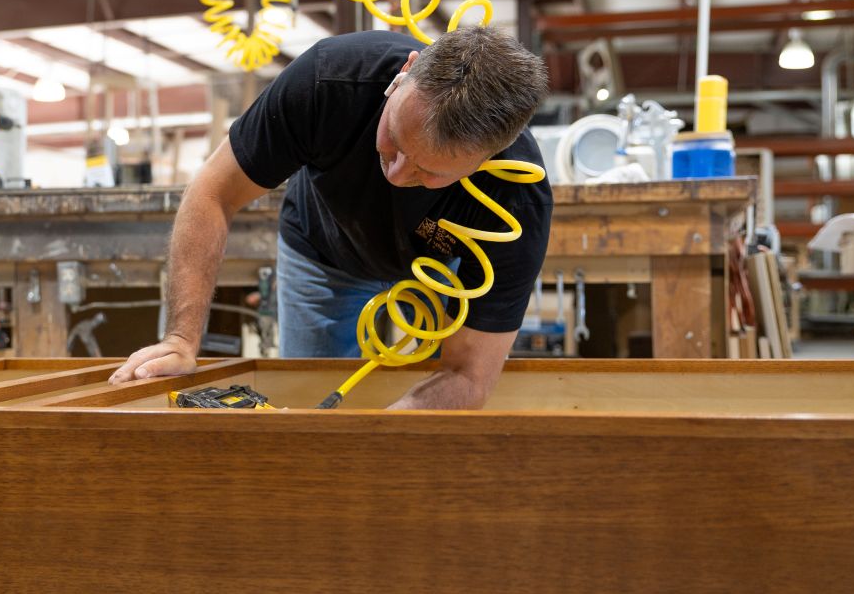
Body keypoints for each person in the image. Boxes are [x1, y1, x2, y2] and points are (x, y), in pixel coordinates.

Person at [110, 26, 552, 409]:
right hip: (323, 248)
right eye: (394, 136)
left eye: (428, 170)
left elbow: (469, 377)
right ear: (403, 75)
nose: (396, 173)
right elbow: (212, 191)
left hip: (439, 271)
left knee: (426, 408)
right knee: (307, 398)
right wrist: (181, 340)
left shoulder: (516, 197)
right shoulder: (330, 79)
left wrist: (369, 447)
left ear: (488, 158)